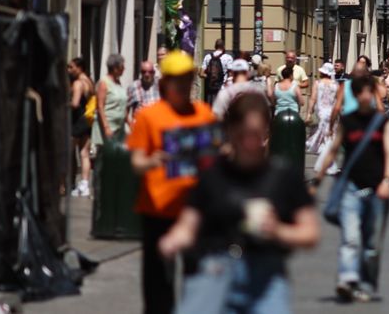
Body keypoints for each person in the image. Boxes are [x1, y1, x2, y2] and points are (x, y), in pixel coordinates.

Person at [159, 92, 320, 313]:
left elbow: (310, 234)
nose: (250, 143)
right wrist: (173, 240)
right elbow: (188, 225)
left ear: (267, 133)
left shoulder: (284, 176)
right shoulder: (212, 176)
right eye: (243, 134)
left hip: (267, 272)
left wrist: (278, 230)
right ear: (230, 131)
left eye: (256, 134)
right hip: (215, 269)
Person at [127, 51, 218, 314]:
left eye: (187, 78)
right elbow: (136, 163)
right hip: (158, 211)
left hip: (196, 210)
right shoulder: (149, 116)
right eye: (177, 79)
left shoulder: (203, 113)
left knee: (198, 279)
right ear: (164, 82)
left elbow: (217, 155)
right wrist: (153, 160)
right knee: (158, 284)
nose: (183, 84)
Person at [314, 75, 389, 302]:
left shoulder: (382, 122)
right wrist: (318, 178)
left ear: (372, 94)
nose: (365, 96)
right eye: (361, 92)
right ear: (356, 95)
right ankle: (348, 278)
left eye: (368, 92)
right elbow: (333, 150)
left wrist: (388, 181)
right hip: (351, 186)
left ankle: (367, 284)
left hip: (377, 189)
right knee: (350, 238)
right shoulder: (348, 121)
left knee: (371, 245)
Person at [306, 63, 340, 176]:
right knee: (330, 137)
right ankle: (328, 163)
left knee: (325, 138)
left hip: (321, 112)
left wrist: (309, 113)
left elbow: (313, 98)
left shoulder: (318, 83)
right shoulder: (335, 85)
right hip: (332, 113)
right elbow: (339, 101)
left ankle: (325, 163)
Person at [68, 57, 95, 198]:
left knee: (69, 151)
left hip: (77, 121)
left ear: (80, 68)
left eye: (71, 67)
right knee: (84, 153)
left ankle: (70, 183)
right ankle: (84, 184)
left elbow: (75, 103)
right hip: (87, 120)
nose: (69, 70)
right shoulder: (89, 82)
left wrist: (63, 104)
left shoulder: (78, 83)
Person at [93, 54, 130, 151]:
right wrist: (106, 127)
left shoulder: (118, 82)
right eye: (122, 66)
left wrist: (129, 122)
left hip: (119, 127)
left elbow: (122, 105)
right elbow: (100, 106)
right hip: (108, 127)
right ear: (115, 68)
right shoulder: (103, 83)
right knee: (106, 157)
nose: (124, 69)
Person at [201, 40, 233, 104]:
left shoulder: (208, 57)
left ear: (215, 46)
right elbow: (230, 74)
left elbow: (201, 73)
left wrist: (210, 76)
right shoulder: (228, 58)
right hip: (222, 89)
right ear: (223, 47)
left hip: (210, 89)